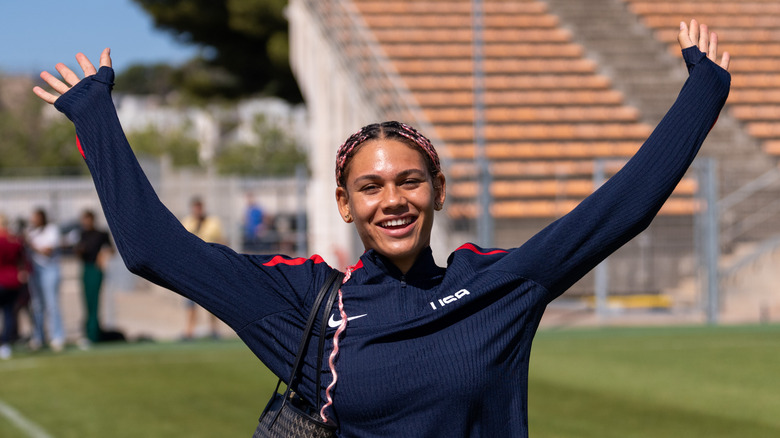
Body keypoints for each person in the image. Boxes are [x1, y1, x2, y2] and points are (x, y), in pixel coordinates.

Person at [33, 20, 729, 437]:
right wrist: (96, 116)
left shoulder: (497, 282)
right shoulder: (306, 305)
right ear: (345, 204)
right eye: (369, 187)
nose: (391, 199)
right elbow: (156, 250)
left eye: (408, 181)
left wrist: (704, 91)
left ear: (436, 192)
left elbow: (621, 210)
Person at [180, 197, 224, 340]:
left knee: (212, 299)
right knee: (190, 301)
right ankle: (189, 331)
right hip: (193, 266)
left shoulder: (213, 222)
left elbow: (221, 241)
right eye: (195, 207)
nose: (198, 210)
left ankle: (214, 330)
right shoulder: (188, 222)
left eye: (200, 207)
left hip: (209, 265)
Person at [26, 208, 65, 352]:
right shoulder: (31, 232)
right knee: (37, 305)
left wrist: (32, 245)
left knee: (52, 304)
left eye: (35, 218)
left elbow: (48, 251)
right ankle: (38, 337)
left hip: (50, 270)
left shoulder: (51, 230)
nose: (33, 221)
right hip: (35, 272)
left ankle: (57, 337)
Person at [73, 209, 113, 345]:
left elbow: (111, 249)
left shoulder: (101, 234)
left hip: (95, 269)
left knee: (95, 302)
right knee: (87, 302)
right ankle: (88, 332)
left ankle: (93, 335)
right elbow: (78, 251)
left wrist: (102, 255)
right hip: (85, 268)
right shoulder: (82, 234)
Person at [0, 214, 29, 360]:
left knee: (9, 313)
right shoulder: (15, 241)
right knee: (9, 313)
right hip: (13, 281)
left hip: (2, 280)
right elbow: (24, 261)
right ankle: (5, 344)